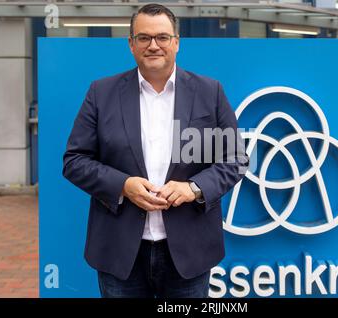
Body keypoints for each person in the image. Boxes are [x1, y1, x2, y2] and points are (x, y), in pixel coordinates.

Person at [62, 3, 248, 298]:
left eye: (162, 37)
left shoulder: (209, 92)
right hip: (120, 251)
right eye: (144, 38)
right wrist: (123, 185)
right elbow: (75, 161)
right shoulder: (101, 93)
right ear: (131, 44)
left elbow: (235, 160)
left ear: (176, 42)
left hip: (189, 251)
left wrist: (194, 188)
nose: (153, 46)